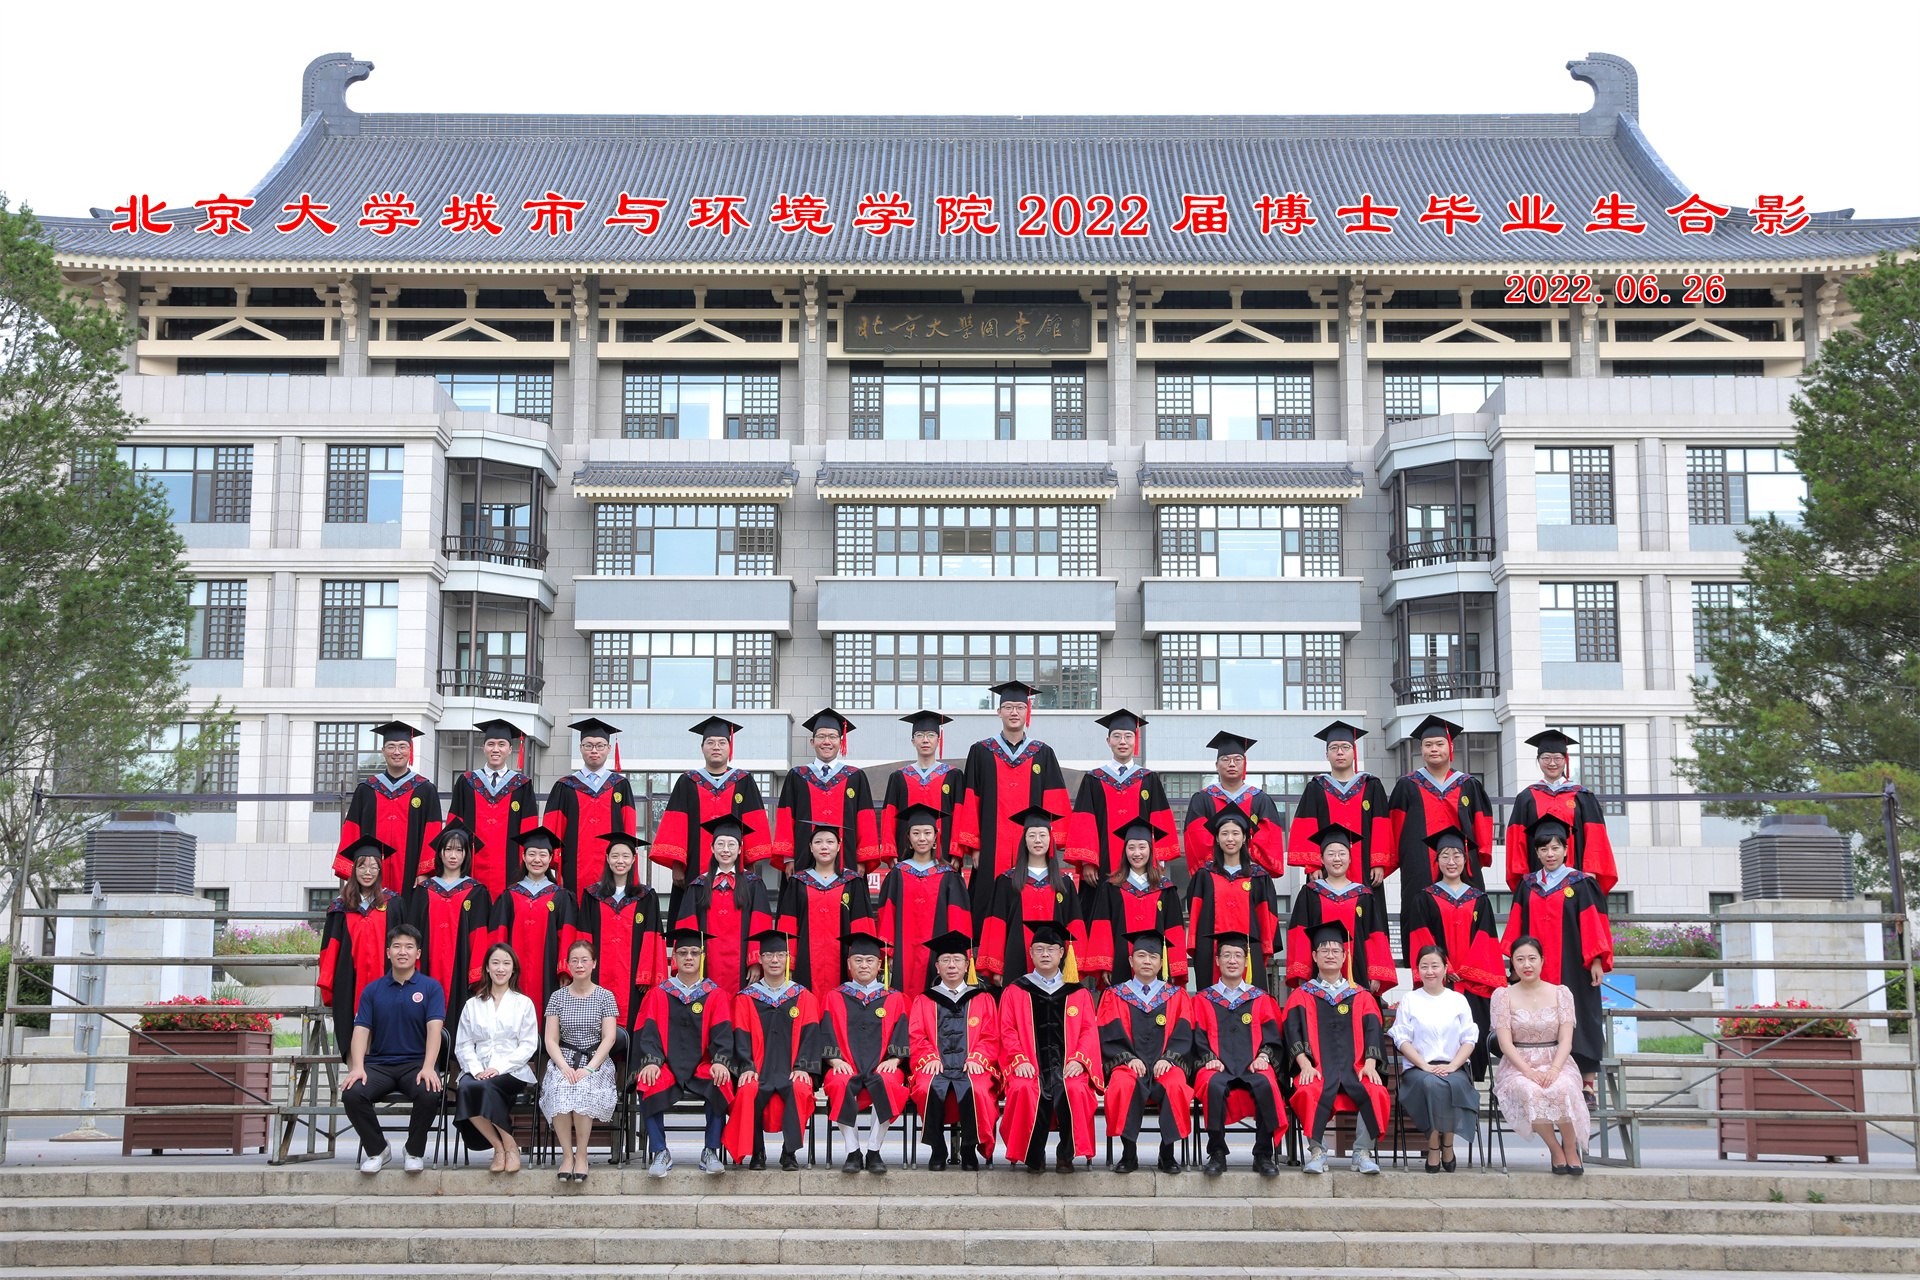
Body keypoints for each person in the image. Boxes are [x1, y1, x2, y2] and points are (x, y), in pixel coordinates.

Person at [1503, 816, 1614, 1096]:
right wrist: (1515, 964)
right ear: (1537, 852)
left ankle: (1587, 1085)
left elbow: (1593, 922)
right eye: (1543, 849)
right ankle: (1537, 1077)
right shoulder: (1527, 885)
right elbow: (1516, 924)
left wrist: (1596, 959)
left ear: (1566, 849)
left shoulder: (1581, 883)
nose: (1550, 854)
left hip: (1574, 964)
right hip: (1534, 966)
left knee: (1580, 1014)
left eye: (1555, 848)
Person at [1282, 921, 1389, 1176]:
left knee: (1375, 1090)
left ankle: (1362, 1153)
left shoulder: (1360, 995)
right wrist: (1304, 1065)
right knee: (1307, 1090)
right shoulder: (1301, 995)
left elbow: (1373, 1031)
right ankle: (1317, 1152)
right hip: (1317, 1068)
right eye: (1324, 950)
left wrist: (1371, 1064)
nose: (1330, 955)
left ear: (1344, 956)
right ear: (1314, 956)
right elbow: (1291, 1032)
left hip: (1357, 1068)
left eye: (1335, 950)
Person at [1388, 715, 1496, 967]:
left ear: (1451, 747)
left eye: (1439, 744)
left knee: (1468, 917)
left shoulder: (1468, 785)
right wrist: (1391, 860)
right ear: (1421, 749)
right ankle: (1423, 975)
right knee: (1420, 917)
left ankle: (1469, 974)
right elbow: (1393, 826)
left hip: (1461, 866)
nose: (1433, 749)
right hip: (1419, 866)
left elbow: (1481, 823)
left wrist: (1477, 859)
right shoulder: (1407, 785)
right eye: (1428, 745)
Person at [997, 921, 1101, 1173]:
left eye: (1051, 949)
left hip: (1067, 1066)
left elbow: (1089, 1030)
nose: (1045, 954)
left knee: (1075, 1088)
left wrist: (1079, 1060)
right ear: (1031, 953)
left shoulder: (1078, 992)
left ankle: (1067, 1154)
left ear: (1062, 953)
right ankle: (1034, 1155)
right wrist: (1019, 1059)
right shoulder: (1015, 990)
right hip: (1029, 1065)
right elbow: (1007, 1030)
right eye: (1039, 949)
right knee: (1024, 1088)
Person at [340, 924, 445, 1174]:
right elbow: (360, 1031)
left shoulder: (431, 988)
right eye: (397, 946)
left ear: (418, 953)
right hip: (380, 1065)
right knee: (352, 1093)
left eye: (409, 947)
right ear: (388, 952)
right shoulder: (373, 989)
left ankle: (414, 1151)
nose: (402, 952)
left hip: (416, 1064)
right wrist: (358, 1067)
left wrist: (429, 1067)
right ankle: (378, 1150)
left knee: (429, 1092)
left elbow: (435, 1029)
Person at [1403, 831, 1506, 1079]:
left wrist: (1466, 971)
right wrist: (1444, 968)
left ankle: (1470, 1087)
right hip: (1439, 981)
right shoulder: (1425, 897)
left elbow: (1487, 940)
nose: (1451, 861)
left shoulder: (1479, 899)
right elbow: (1421, 937)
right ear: (1436, 860)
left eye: (1457, 855)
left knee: (1473, 1033)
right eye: (1445, 856)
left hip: (1472, 983)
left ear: (1465, 860)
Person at [955, 681, 1070, 899]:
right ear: (999, 712)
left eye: (1020, 707)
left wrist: (1049, 843)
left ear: (1028, 712)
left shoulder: (1043, 753)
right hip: (990, 845)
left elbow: (1055, 800)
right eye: (1008, 707)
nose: (1014, 712)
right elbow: (971, 800)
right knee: (989, 900)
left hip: (1032, 847)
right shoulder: (981, 752)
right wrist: (974, 846)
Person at [636, 927, 736, 1177]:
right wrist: (652, 1061)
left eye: (694, 952)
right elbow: (648, 1033)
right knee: (646, 1081)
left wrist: (720, 1061)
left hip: (703, 1065)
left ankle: (710, 1150)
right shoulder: (659, 993)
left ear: (702, 957)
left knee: (721, 1079)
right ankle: (660, 1151)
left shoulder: (715, 994)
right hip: (666, 1066)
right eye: (682, 952)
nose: (689, 957)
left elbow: (723, 1033)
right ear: (674, 958)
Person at [723, 928, 823, 1170]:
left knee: (800, 1087)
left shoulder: (804, 997)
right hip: (758, 1068)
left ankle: (789, 1152)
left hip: (792, 1068)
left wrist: (803, 1067)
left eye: (780, 954)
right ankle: (757, 1152)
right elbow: (740, 1036)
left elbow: (811, 1036)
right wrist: (747, 1066)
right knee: (748, 1088)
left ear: (788, 958)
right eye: (768, 955)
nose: (774, 960)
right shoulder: (746, 998)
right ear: (760, 959)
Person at [1097, 928, 1193, 1174]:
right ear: (1131, 961)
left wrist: (1169, 1058)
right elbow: (1108, 1034)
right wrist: (1127, 1058)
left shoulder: (1176, 996)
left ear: (1161, 963)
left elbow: (1184, 1032)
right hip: (1129, 1066)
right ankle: (1129, 1154)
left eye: (1153, 956)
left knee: (1176, 1084)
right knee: (1121, 1083)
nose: (1147, 961)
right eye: (1141, 955)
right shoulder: (1114, 995)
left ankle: (1167, 1153)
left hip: (1165, 1066)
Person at [1491, 935, 1590, 1175]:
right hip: (1518, 1065)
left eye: (1532, 958)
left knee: (1563, 1087)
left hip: (1556, 1060)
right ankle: (1555, 1149)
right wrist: (1528, 1071)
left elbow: (1566, 1039)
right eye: (1520, 959)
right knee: (1531, 1091)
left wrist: (1555, 1069)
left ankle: (1570, 1147)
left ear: (1542, 961)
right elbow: (1504, 1043)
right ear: (1512, 963)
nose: (1527, 965)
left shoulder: (1561, 993)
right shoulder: (1502, 996)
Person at [1191, 931, 1285, 1177]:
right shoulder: (1202, 1000)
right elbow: (1196, 1037)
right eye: (1226, 955)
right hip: (1216, 1066)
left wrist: (1263, 1057)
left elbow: (1273, 1038)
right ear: (1217, 960)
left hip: (1252, 1066)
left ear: (1246, 961)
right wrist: (1208, 1059)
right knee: (1213, 1084)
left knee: (1266, 1082)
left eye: (1238, 955)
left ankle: (1263, 1154)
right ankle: (1217, 1152)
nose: (1232, 960)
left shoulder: (1261, 999)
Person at [821, 923, 910, 1173]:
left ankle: (873, 1151)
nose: (864, 965)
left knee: (890, 1082)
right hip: (846, 1064)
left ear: (879, 965)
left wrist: (894, 1059)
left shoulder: (893, 998)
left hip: (882, 1065)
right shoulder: (834, 997)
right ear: (849, 964)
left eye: (870, 960)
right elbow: (826, 1033)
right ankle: (852, 1152)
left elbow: (902, 1032)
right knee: (838, 1082)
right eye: (858, 960)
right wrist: (834, 1061)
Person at [907, 930, 999, 1171]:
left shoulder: (982, 998)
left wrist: (978, 1057)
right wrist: (929, 1056)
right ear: (937, 967)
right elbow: (916, 1034)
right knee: (926, 1088)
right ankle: (937, 1148)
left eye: (957, 960)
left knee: (978, 1088)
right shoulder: (924, 999)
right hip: (936, 1064)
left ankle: (969, 1147)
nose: (951, 965)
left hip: (971, 1064)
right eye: (945, 960)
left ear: (967, 966)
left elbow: (991, 1035)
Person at [1287, 721, 1395, 923]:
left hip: (1365, 868)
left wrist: (1378, 862)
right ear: (1326, 754)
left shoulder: (1371, 786)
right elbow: (1306, 826)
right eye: (1333, 748)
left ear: (1354, 752)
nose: (1339, 752)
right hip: (1326, 869)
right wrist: (1312, 865)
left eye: (1345, 747)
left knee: (1367, 919)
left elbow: (1381, 825)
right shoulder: (1316, 787)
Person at [650, 716, 773, 890]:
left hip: (735, 866)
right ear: (702, 748)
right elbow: (675, 824)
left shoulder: (744, 781)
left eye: (722, 742)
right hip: (693, 865)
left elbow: (754, 822)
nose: (716, 747)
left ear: (730, 747)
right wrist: (677, 865)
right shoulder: (688, 781)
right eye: (710, 742)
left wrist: (750, 863)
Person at [1391, 945, 1481, 1172]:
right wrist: (1423, 1065)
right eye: (1424, 966)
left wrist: (1453, 1065)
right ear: (1417, 970)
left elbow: (1469, 1038)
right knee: (1432, 1084)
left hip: (1454, 1067)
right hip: (1419, 1069)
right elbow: (1402, 1039)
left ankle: (1447, 1144)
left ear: (1445, 968)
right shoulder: (1410, 999)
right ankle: (1433, 1146)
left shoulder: (1458, 1000)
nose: (1430, 971)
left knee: (1452, 1084)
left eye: (1435, 966)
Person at [333, 720, 441, 905]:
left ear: (410, 751)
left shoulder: (425, 789)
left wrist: (424, 872)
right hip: (371, 875)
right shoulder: (367, 789)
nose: (397, 752)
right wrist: (353, 871)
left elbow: (433, 832)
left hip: (411, 875)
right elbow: (352, 830)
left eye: (402, 747)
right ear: (383, 751)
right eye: (391, 746)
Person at [405, 821, 493, 1047]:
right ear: (440, 853)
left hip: (461, 971)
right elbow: (412, 934)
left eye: (459, 850)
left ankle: (455, 1067)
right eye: (448, 849)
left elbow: (480, 936)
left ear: (466, 854)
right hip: (428, 967)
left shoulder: (476, 892)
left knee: (460, 1028)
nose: (453, 855)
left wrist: (477, 974)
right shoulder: (424, 891)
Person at [1066, 709, 1177, 886]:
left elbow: (1159, 818)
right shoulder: (1093, 779)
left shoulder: (1149, 779)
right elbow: (1084, 820)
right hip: (1102, 862)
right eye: (1117, 736)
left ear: (1135, 740)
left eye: (1128, 736)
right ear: (1108, 741)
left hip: (1141, 861)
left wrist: (1159, 857)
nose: (1122, 741)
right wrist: (1087, 861)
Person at [977, 806, 1086, 987]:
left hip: (1056, 966)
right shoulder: (1007, 881)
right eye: (1032, 835)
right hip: (1015, 959)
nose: (1037, 840)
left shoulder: (1064, 883)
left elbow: (1074, 925)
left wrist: (1074, 964)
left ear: (1051, 839)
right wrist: (997, 966)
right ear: (1024, 840)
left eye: (1043, 835)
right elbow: (996, 925)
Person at [541, 939, 620, 1182]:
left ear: (594, 963)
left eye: (585, 960)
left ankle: (582, 1154)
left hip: (595, 1060)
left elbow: (609, 1038)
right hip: (563, 1059)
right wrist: (564, 1067)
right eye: (574, 960)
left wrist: (589, 1068)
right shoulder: (557, 997)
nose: (579, 965)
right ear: (568, 964)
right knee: (560, 1089)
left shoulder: (605, 996)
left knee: (583, 1088)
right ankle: (567, 1155)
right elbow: (550, 1039)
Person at [454, 941, 536, 1172]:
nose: (501, 968)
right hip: (479, 1068)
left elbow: (528, 1045)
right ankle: (502, 1147)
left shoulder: (523, 1003)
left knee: (486, 1087)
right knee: (466, 1087)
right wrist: (476, 1069)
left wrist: (498, 1068)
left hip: (512, 1070)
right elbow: (463, 1044)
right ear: (487, 968)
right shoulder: (472, 1005)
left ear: (513, 969)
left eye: (506, 963)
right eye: (495, 963)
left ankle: (508, 1146)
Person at [574, 831, 664, 1041]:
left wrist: (645, 974)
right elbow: (583, 938)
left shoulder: (646, 897)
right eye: (615, 856)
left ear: (633, 860)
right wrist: (583, 969)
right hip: (597, 975)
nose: (620, 861)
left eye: (625, 856)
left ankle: (629, 1063)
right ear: (607, 858)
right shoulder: (592, 896)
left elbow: (653, 938)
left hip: (633, 980)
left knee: (633, 1027)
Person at [1282, 825, 1396, 991]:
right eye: (1331, 854)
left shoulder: (1363, 895)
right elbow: (1299, 934)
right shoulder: (1310, 893)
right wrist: (1302, 972)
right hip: (1318, 971)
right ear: (1321, 859)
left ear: (1350, 859)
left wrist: (1375, 973)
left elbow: (1374, 935)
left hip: (1357, 969)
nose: (1337, 859)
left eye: (1342, 854)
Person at [1505, 729, 1619, 894]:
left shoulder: (1582, 796)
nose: (1552, 763)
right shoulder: (1527, 798)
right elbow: (1517, 840)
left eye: (1557, 758)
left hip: (1577, 873)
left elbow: (1596, 837)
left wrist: (1591, 872)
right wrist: (1523, 876)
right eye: (1546, 758)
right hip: (1538, 877)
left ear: (1565, 760)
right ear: (1538, 760)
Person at [875, 803, 973, 995]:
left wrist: (956, 954)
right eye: (916, 833)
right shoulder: (897, 874)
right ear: (908, 838)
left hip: (938, 954)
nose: (922, 838)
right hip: (904, 952)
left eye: (927, 833)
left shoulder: (949, 876)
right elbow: (887, 915)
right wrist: (889, 952)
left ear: (935, 836)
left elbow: (958, 919)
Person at [319, 840, 402, 1061]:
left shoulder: (393, 903)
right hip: (349, 980)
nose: (368, 872)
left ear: (380, 870)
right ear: (353, 869)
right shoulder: (341, 907)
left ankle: (378, 1075)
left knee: (384, 1029)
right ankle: (354, 1075)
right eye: (362, 866)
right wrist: (328, 981)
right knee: (350, 1027)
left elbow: (404, 944)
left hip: (386, 977)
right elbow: (330, 947)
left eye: (373, 866)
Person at [1185, 802, 1281, 990]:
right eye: (1224, 833)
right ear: (1217, 838)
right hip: (1211, 951)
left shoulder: (1258, 877)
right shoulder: (1204, 876)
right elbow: (1195, 915)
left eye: (1236, 833)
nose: (1230, 838)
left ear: (1244, 838)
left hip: (1249, 950)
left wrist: (1263, 946)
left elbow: (1267, 916)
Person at [675, 813, 772, 994]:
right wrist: (690, 961)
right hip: (706, 965)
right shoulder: (698, 885)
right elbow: (687, 927)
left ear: (740, 849)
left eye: (731, 844)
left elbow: (760, 925)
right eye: (720, 844)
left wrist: (755, 962)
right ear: (712, 848)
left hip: (743, 968)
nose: (725, 850)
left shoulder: (753, 884)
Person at [774, 709, 880, 872]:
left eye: (832, 737)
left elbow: (865, 819)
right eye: (821, 736)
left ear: (841, 742)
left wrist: (863, 859)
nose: (827, 742)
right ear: (812, 742)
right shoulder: (797, 776)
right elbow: (786, 817)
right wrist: (789, 858)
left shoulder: (855, 777)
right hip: (803, 858)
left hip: (848, 859)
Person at [1088, 817, 1188, 989]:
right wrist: (1105, 964)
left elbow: (1174, 931)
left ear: (1151, 850)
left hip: (1158, 965)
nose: (1136, 853)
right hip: (1120, 962)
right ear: (1125, 851)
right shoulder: (1111, 887)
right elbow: (1102, 927)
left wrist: (1175, 968)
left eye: (1142, 847)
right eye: (1131, 847)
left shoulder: (1166, 889)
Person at [543, 717, 638, 901]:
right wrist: (553, 862)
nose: (594, 750)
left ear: (609, 749)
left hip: (613, 864)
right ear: (581, 748)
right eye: (588, 745)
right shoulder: (565, 786)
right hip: (573, 864)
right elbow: (552, 828)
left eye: (600, 746)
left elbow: (629, 826)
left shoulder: (620, 785)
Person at [446, 718, 540, 900]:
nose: (495, 749)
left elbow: (529, 829)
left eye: (501, 744)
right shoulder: (466, 782)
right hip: (471, 865)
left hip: (510, 867)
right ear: (483, 748)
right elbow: (454, 825)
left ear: (510, 749)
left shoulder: (522, 785)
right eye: (491, 744)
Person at [776, 821, 874, 994]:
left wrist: (860, 962)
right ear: (810, 847)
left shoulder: (853, 882)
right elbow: (787, 926)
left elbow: (861, 926)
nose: (824, 847)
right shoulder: (798, 883)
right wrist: (788, 963)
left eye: (830, 842)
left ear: (839, 847)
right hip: (805, 962)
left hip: (843, 961)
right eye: (818, 842)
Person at [1181, 731, 1287, 877]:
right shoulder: (1203, 799)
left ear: (1245, 764)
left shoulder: (1260, 799)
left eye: (1238, 759)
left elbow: (1269, 836)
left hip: (1250, 874)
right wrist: (1222, 861)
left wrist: (1242, 858)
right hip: (1214, 874)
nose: (1232, 764)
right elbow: (1196, 836)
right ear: (1216, 765)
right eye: (1225, 759)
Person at [490, 827, 573, 1009]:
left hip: (548, 971)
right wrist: (499, 964)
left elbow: (566, 935)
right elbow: (499, 935)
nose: (537, 860)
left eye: (543, 855)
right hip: (513, 970)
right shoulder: (509, 895)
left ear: (550, 859)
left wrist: (564, 969)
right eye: (532, 854)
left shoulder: (561, 896)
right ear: (523, 857)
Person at [879, 711, 964, 864]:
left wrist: (956, 852)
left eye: (931, 735)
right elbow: (889, 815)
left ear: (938, 740)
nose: (925, 740)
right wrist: (890, 852)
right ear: (913, 741)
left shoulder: (953, 776)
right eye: (920, 735)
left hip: (944, 856)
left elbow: (959, 815)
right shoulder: (899, 777)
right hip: (905, 856)